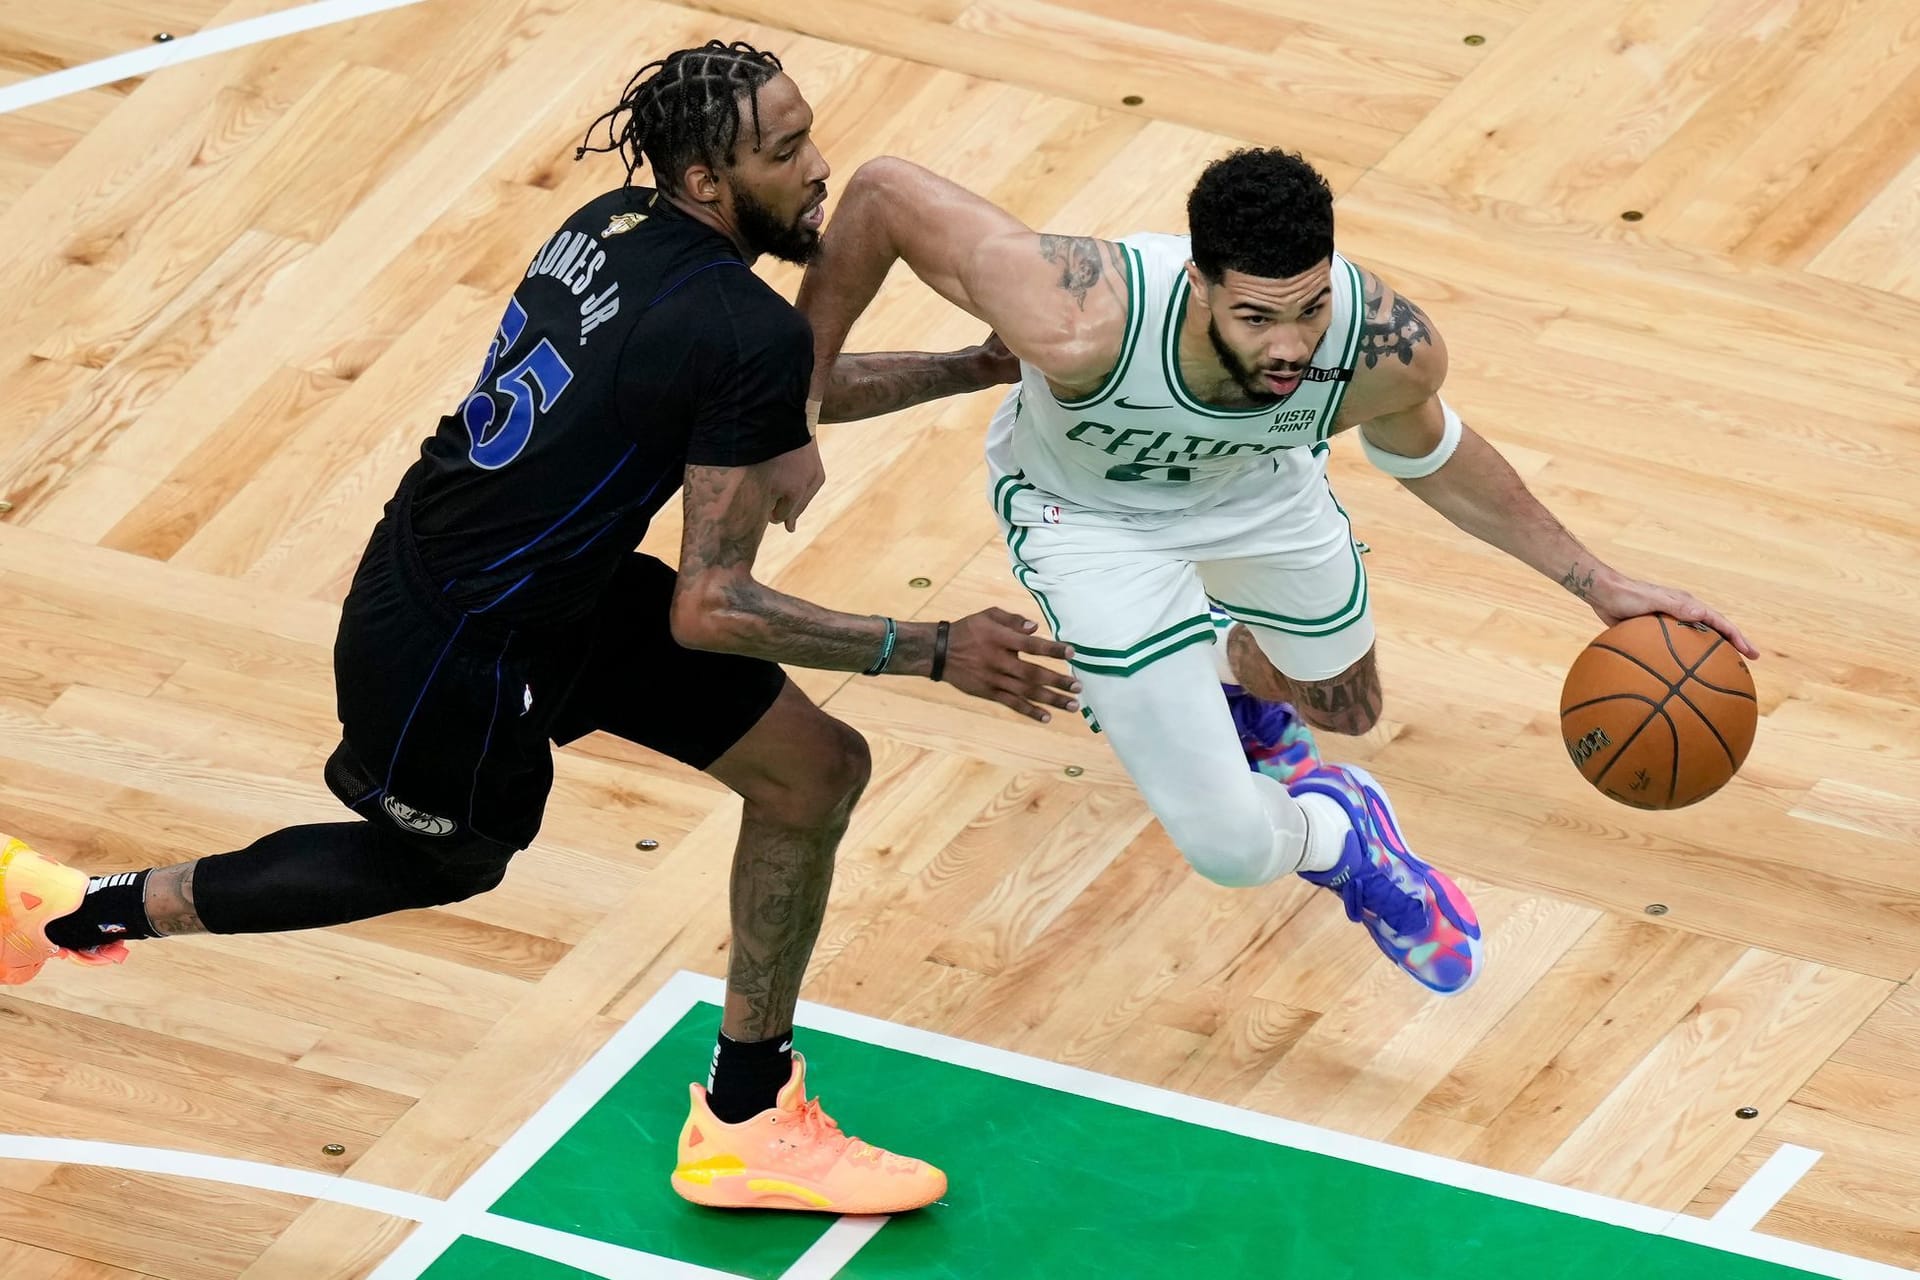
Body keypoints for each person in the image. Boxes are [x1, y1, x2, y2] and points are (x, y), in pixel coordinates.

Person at [0, 41, 1079, 1216]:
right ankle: (67, 904)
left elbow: (761, 395)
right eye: (784, 151)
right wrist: (927, 649)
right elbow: (712, 606)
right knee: (445, 857)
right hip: (456, 644)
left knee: (814, 770)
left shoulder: (610, 225)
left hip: (553, 585)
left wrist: (974, 364)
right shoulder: (735, 321)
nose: (818, 168)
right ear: (709, 182)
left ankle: (747, 1116)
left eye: (810, 133)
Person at [798, 149, 1757, 998]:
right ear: (1200, 284)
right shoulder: (1076, 315)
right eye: (1257, 317)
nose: (1291, 345)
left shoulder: (1380, 346)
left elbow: (1435, 458)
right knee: (1231, 849)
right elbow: (880, 194)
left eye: (1311, 306)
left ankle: (1217, 674)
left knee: (1343, 708)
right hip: (1091, 524)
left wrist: (1598, 584)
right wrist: (789, 409)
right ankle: (1340, 840)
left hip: (1256, 492)